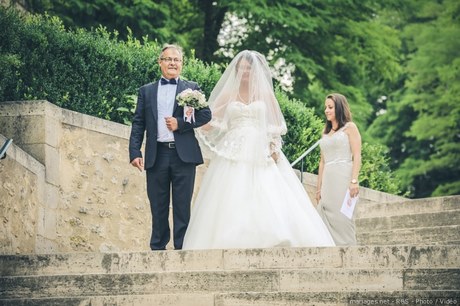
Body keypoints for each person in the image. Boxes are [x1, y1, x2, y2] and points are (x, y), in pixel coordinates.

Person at [182, 50, 335, 250]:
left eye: (248, 68)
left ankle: (274, 235)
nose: (244, 71)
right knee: (231, 192)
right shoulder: (228, 95)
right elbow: (209, 122)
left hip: (260, 150)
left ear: (254, 71)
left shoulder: (265, 95)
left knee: (268, 191)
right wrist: (190, 113)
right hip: (234, 149)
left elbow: (274, 128)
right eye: (241, 68)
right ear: (236, 70)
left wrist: (273, 148)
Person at [129, 44, 212, 250]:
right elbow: (138, 122)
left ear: (181, 64)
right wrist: (134, 151)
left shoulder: (191, 88)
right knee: (158, 204)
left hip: (183, 155)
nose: (172, 63)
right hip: (156, 154)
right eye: (168, 59)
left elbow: (205, 115)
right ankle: (157, 247)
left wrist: (181, 123)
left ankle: (181, 248)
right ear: (160, 62)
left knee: (182, 205)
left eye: (176, 60)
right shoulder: (146, 91)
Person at [315, 93, 362, 246]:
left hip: (344, 177)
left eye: (330, 107)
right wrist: (318, 188)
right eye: (325, 108)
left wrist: (354, 181)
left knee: (343, 218)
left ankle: (350, 252)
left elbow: (357, 155)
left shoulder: (350, 128)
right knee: (325, 216)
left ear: (339, 108)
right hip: (328, 181)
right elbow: (322, 162)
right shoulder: (325, 133)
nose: (326, 111)